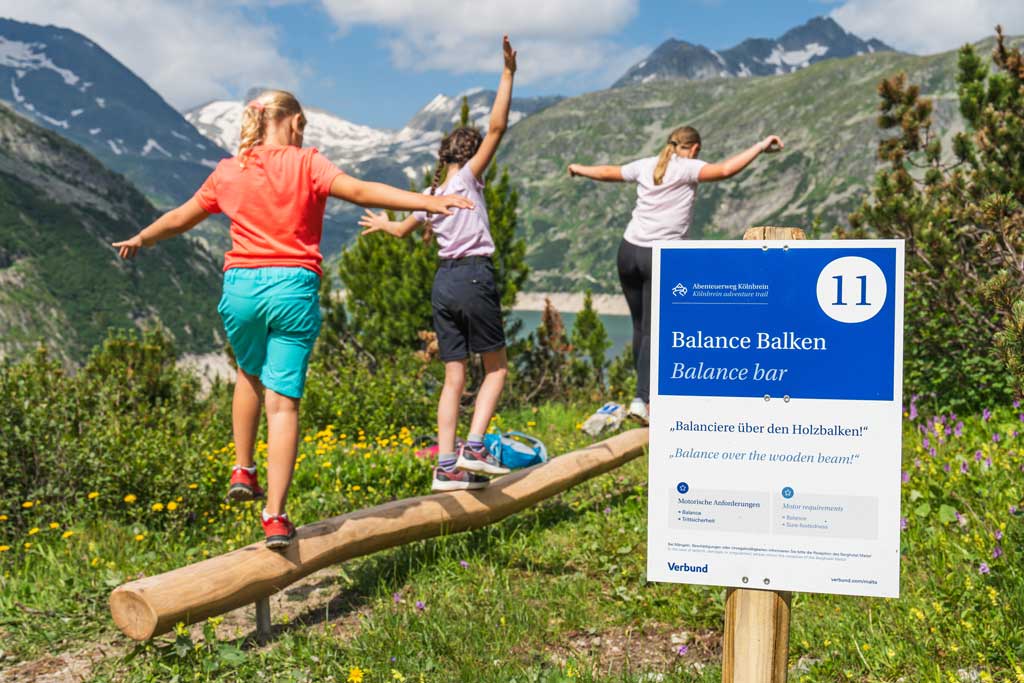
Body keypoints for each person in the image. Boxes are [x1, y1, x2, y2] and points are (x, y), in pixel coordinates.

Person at [113, 90, 473, 549]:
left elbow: (181, 218)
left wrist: (142, 237)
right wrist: (427, 203)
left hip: (241, 289)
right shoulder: (309, 164)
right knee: (282, 405)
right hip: (291, 290)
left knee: (248, 372)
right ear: (296, 121)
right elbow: (362, 191)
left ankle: (243, 468)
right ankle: (276, 518)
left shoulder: (229, 170)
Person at [358, 36, 517, 493]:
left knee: (454, 377)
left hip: (443, 283)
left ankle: (446, 466)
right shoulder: (468, 179)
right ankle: (475, 448)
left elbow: (403, 231)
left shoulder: (428, 196)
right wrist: (507, 73)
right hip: (472, 274)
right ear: (468, 159)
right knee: (497, 369)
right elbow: (498, 127)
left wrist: (384, 224)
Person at [568, 127, 784, 422]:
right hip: (657, 255)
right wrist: (760, 146)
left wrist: (578, 169)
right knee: (653, 329)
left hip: (628, 250)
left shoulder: (646, 165)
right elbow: (724, 170)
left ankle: (642, 397)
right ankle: (643, 400)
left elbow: (608, 172)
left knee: (638, 327)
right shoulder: (688, 168)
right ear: (694, 148)